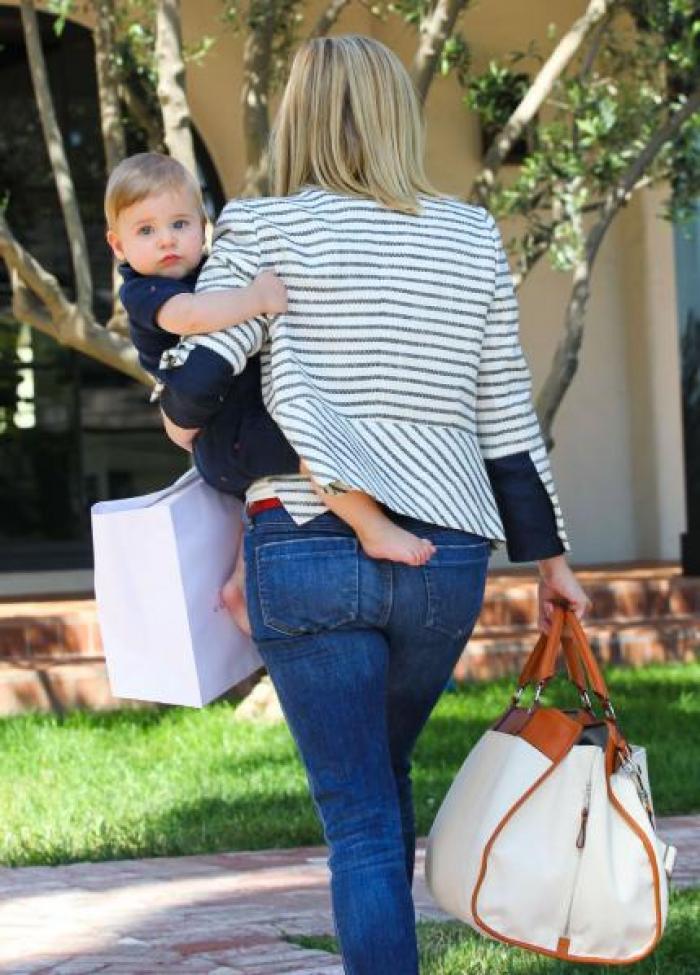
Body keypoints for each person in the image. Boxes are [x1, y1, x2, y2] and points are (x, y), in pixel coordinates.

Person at [158, 35, 590, 974]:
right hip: (446, 562)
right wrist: (553, 561)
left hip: (304, 543)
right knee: (382, 774)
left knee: (357, 811)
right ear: (399, 115)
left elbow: (199, 379)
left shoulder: (261, 225)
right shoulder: (469, 234)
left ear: (297, 117)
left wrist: (180, 420)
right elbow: (505, 414)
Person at [105, 153, 437, 631]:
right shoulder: (143, 291)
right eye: (146, 231)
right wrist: (256, 299)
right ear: (118, 245)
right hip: (224, 437)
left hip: (234, 429)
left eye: (180, 224)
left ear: (203, 227)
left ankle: (239, 586)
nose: (166, 240)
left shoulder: (210, 269)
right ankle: (372, 527)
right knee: (315, 449)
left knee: (262, 499)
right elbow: (191, 317)